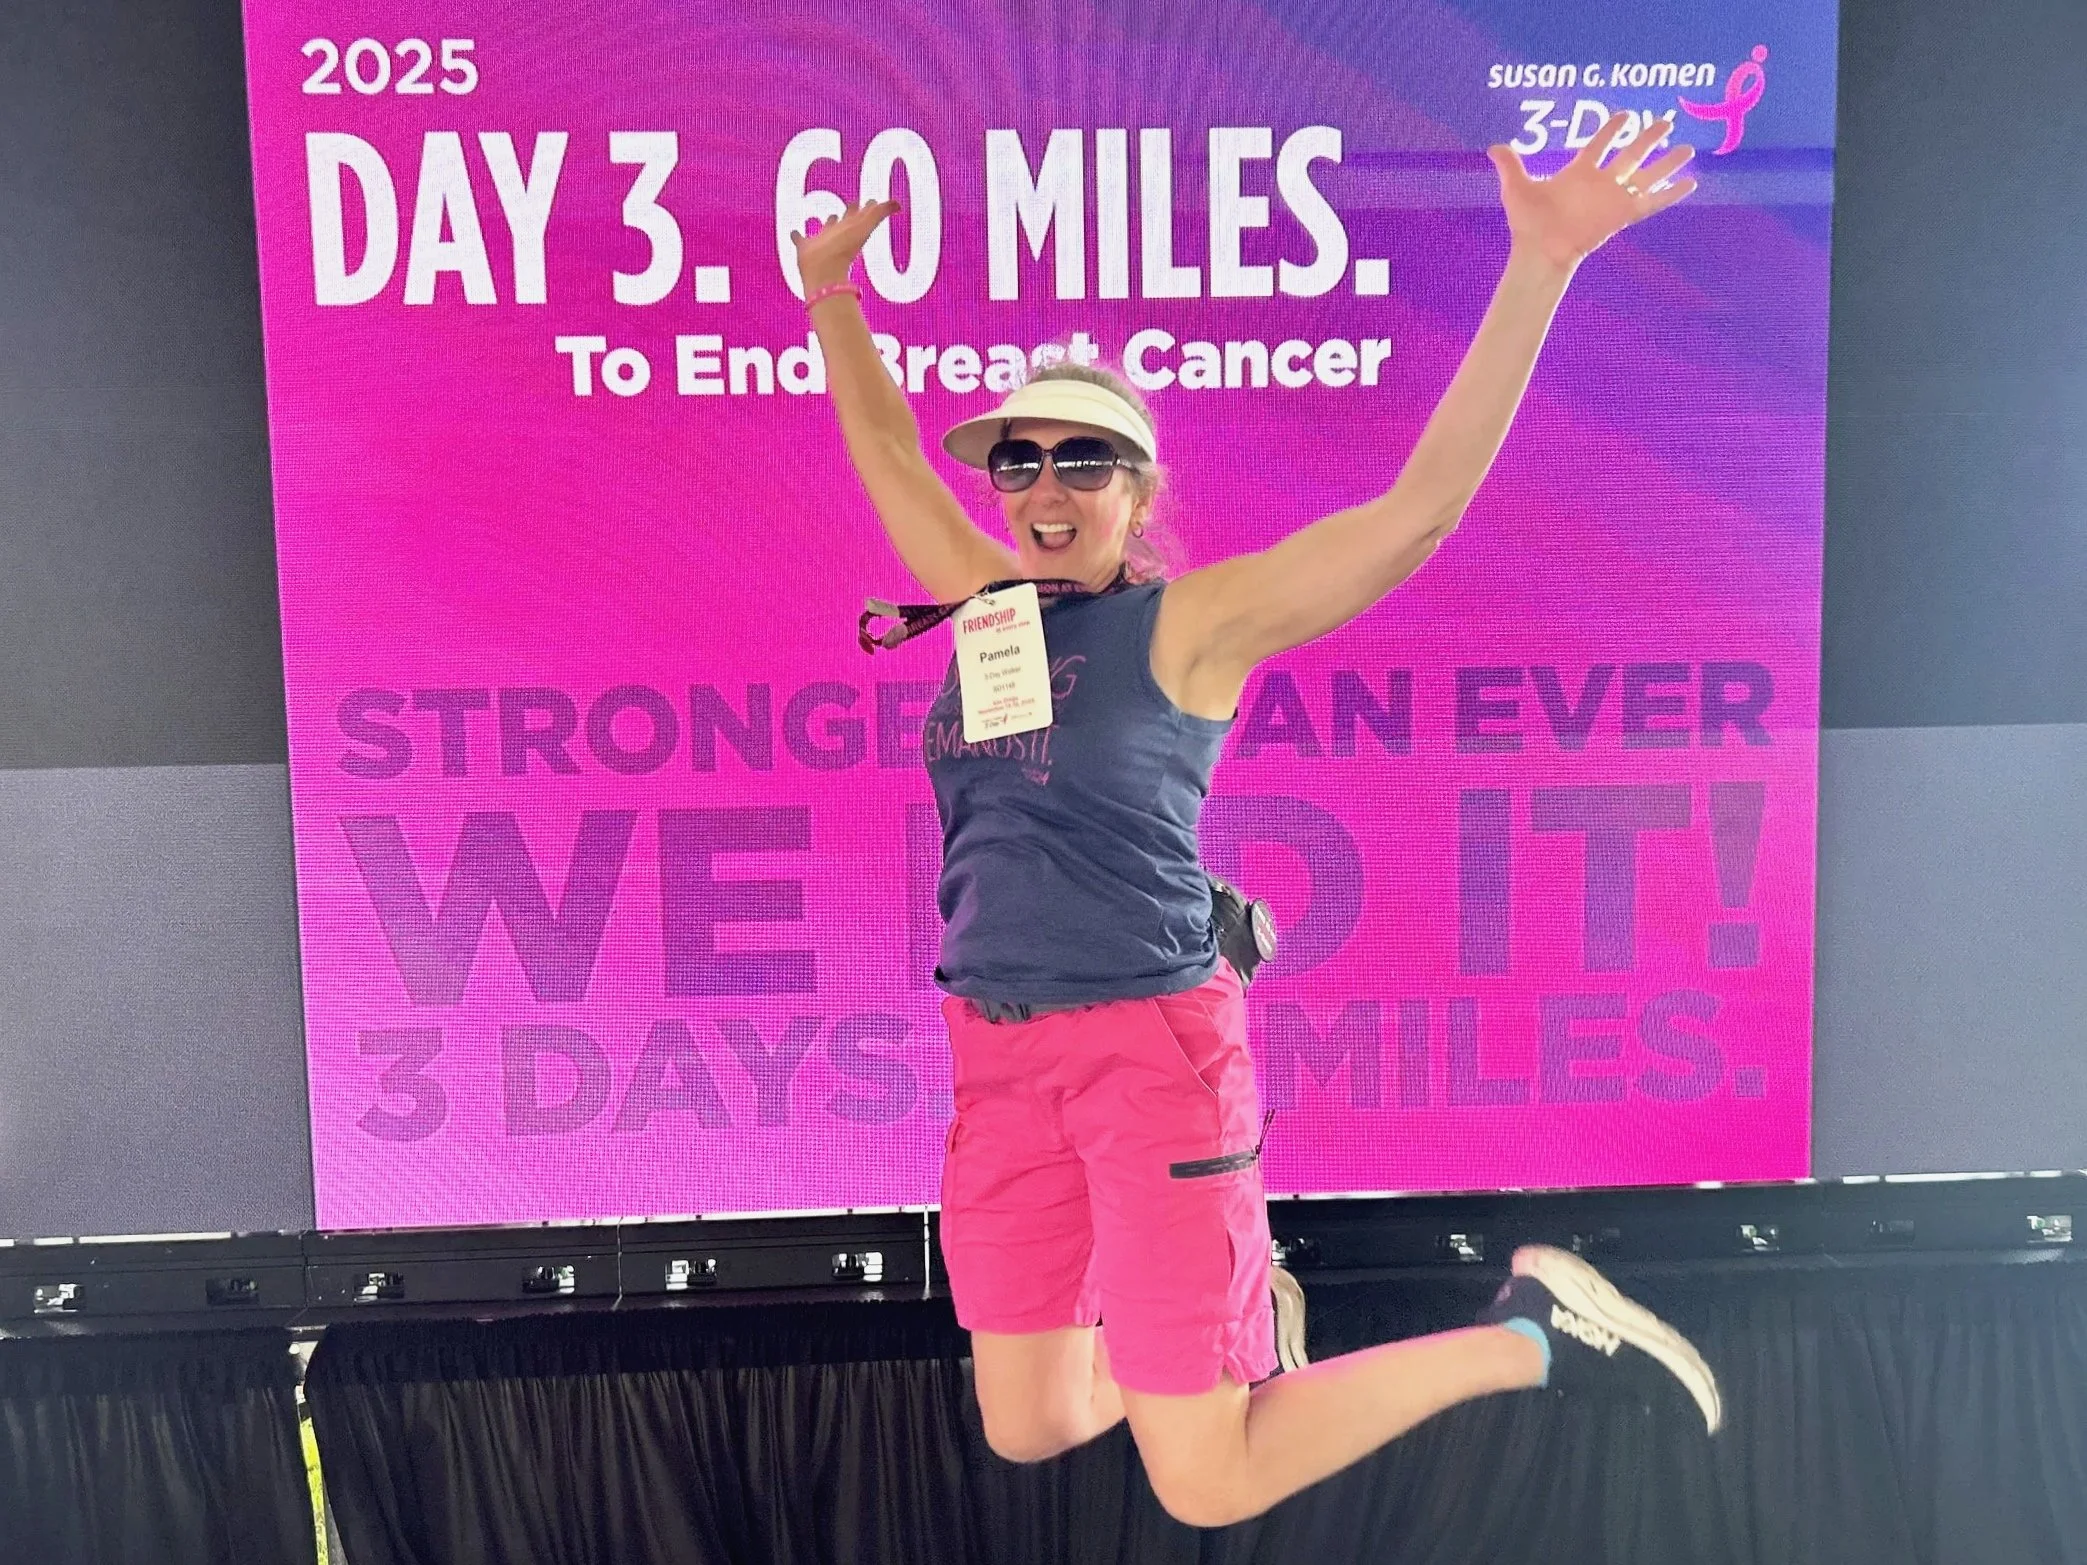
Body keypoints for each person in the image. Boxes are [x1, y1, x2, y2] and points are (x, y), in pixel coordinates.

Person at [795, 113, 1719, 1530]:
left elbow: (1413, 516)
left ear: (1138, 490)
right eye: (1021, 461)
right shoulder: (986, 607)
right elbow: (884, 453)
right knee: (1030, 1420)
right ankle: (1235, 1337)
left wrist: (1537, 265)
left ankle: (1528, 1327)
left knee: (1207, 1482)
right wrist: (831, 298)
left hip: (1149, 1056)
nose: (1045, 486)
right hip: (993, 1056)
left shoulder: (1194, 624)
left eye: (1083, 462)